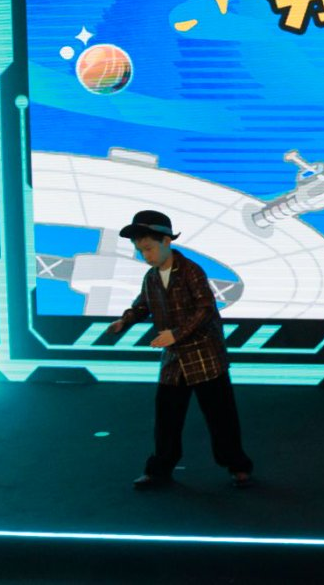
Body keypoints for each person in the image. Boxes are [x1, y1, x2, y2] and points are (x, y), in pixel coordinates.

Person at [107, 210, 253, 490]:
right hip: (174, 360)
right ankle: (159, 469)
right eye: (140, 250)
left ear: (166, 241)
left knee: (221, 417)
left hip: (205, 356)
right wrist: (124, 321)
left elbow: (205, 309)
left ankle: (238, 466)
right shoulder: (151, 277)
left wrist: (175, 334)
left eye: (148, 248)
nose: (145, 255)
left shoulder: (191, 271)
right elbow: (142, 305)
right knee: (166, 419)